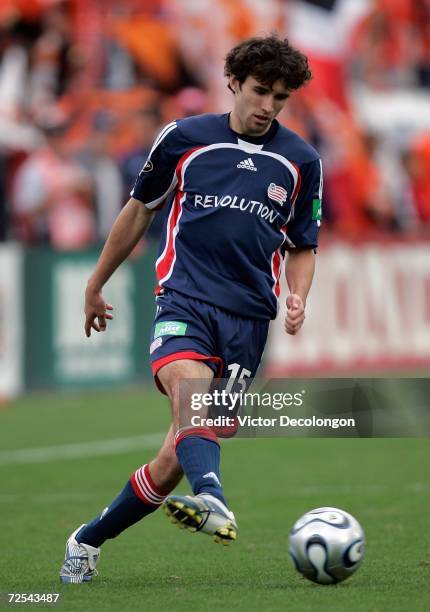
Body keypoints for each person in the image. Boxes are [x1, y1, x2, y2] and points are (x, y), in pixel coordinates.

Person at [59, 34, 323, 584]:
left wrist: (298, 294)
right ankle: (214, 498)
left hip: (249, 319)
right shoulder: (184, 138)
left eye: (280, 97)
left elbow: (302, 244)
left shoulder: (301, 159)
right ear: (232, 81)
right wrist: (96, 281)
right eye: (259, 91)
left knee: (173, 456)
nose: (267, 106)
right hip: (184, 297)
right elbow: (138, 211)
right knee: (190, 394)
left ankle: (87, 539)